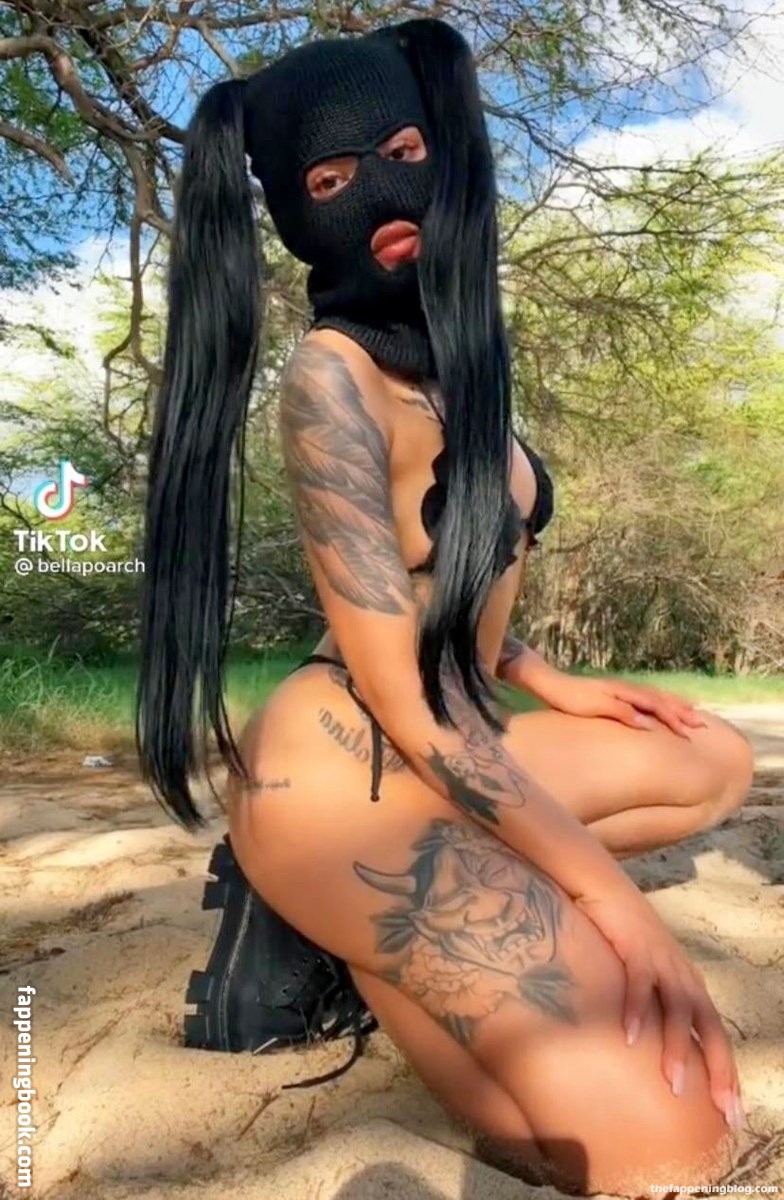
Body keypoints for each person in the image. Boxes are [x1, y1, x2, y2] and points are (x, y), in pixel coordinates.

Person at [134, 17, 755, 1194]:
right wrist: (612, 905)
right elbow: (400, 693)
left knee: (709, 760)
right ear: (290, 214)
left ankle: (348, 931)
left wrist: (543, 675)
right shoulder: (330, 381)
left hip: (454, 733)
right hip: (349, 771)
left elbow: (448, 585)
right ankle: (309, 904)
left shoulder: (453, 360)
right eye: (328, 181)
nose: (377, 190)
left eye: (402, 151)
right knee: (668, 1139)